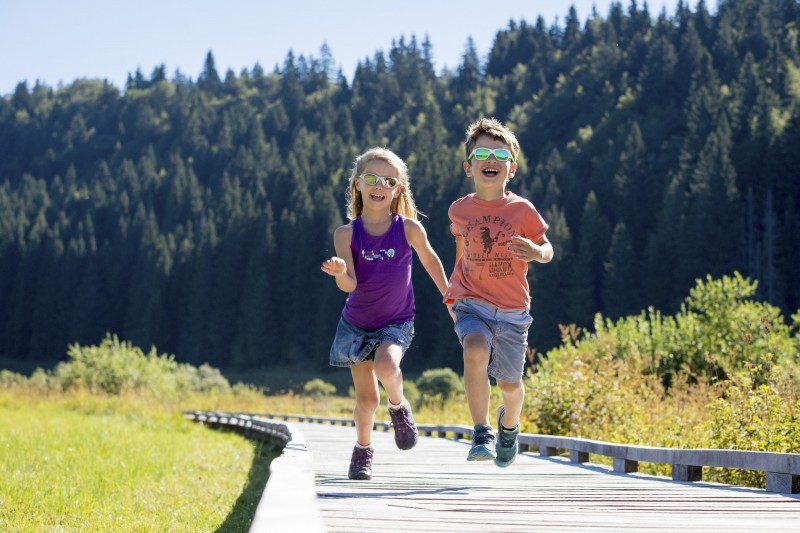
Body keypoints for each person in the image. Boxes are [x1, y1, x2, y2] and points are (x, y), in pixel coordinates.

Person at [322, 147, 451, 480]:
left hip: (396, 321)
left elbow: (430, 260)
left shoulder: (408, 229)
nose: (379, 185)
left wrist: (451, 297)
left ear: (398, 189)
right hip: (356, 326)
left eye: (388, 180)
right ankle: (363, 449)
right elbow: (349, 285)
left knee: (387, 365)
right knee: (366, 399)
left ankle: (399, 407)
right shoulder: (346, 235)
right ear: (357, 185)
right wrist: (339, 272)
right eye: (371, 178)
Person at [444, 117, 553, 467]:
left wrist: (536, 253)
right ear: (469, 166)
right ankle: (482, 431)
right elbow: (462, 251)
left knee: (511, 385)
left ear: (511, 168)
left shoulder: (521, 210)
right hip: (471, 302)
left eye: (500, 154)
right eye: (483, 153)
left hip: (512, 310)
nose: (491, 159)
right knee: (474, 351)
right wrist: (452, 290)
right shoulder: (460, 210)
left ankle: (509, 426)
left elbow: (547, 248)